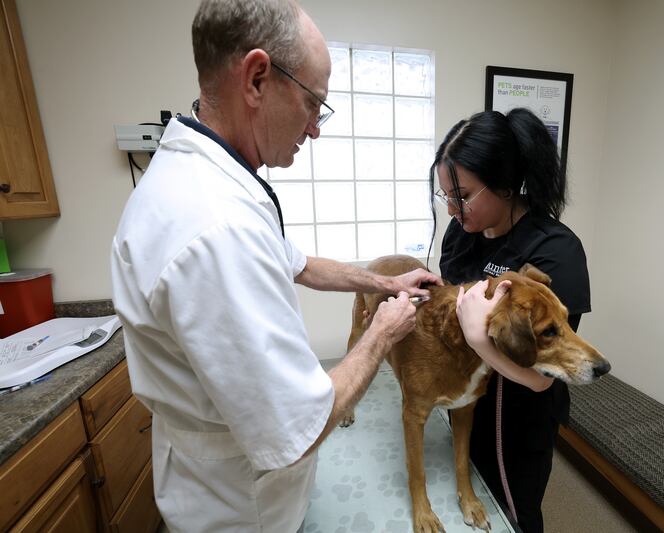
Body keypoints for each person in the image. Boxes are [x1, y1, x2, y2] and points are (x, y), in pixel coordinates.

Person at [110, 1, 441, 532]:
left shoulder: (209, 180)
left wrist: (384, 281)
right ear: (257, 79)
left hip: (220, 477)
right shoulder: (216, 230)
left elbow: (300, 264)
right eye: (314, 103)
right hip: (243, 507)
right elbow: (298, 429)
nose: (315, 129)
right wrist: (382, 332)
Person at [430, 108, 591, 532]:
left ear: (504, 184)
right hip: (467, 400)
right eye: (446, 195)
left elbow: (542, 375)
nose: (452, 210)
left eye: (462, 196)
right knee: (465, 496)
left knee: (514, 514)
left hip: (518, 418)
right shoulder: (460, 235)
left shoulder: (556, 250)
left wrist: (478, 339)